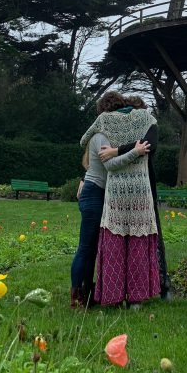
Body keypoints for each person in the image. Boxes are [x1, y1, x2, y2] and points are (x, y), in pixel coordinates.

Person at [70, 91, 149, 308]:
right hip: (94, 193)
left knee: (94, 247)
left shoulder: (105, 135)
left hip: (97, 192)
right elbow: (110, 166)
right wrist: (136, 151)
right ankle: (77, 295)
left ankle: (87, 292)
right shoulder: (101, 137)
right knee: (86, 247)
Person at [98, 94, 171, 299]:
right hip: (121, 191)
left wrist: (116, 151)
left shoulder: (149, 126)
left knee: (150, 239)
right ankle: (127, 288)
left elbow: (148, 144)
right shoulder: (118, 129)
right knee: (128, 241)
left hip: (143, 190)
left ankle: (162, 284)